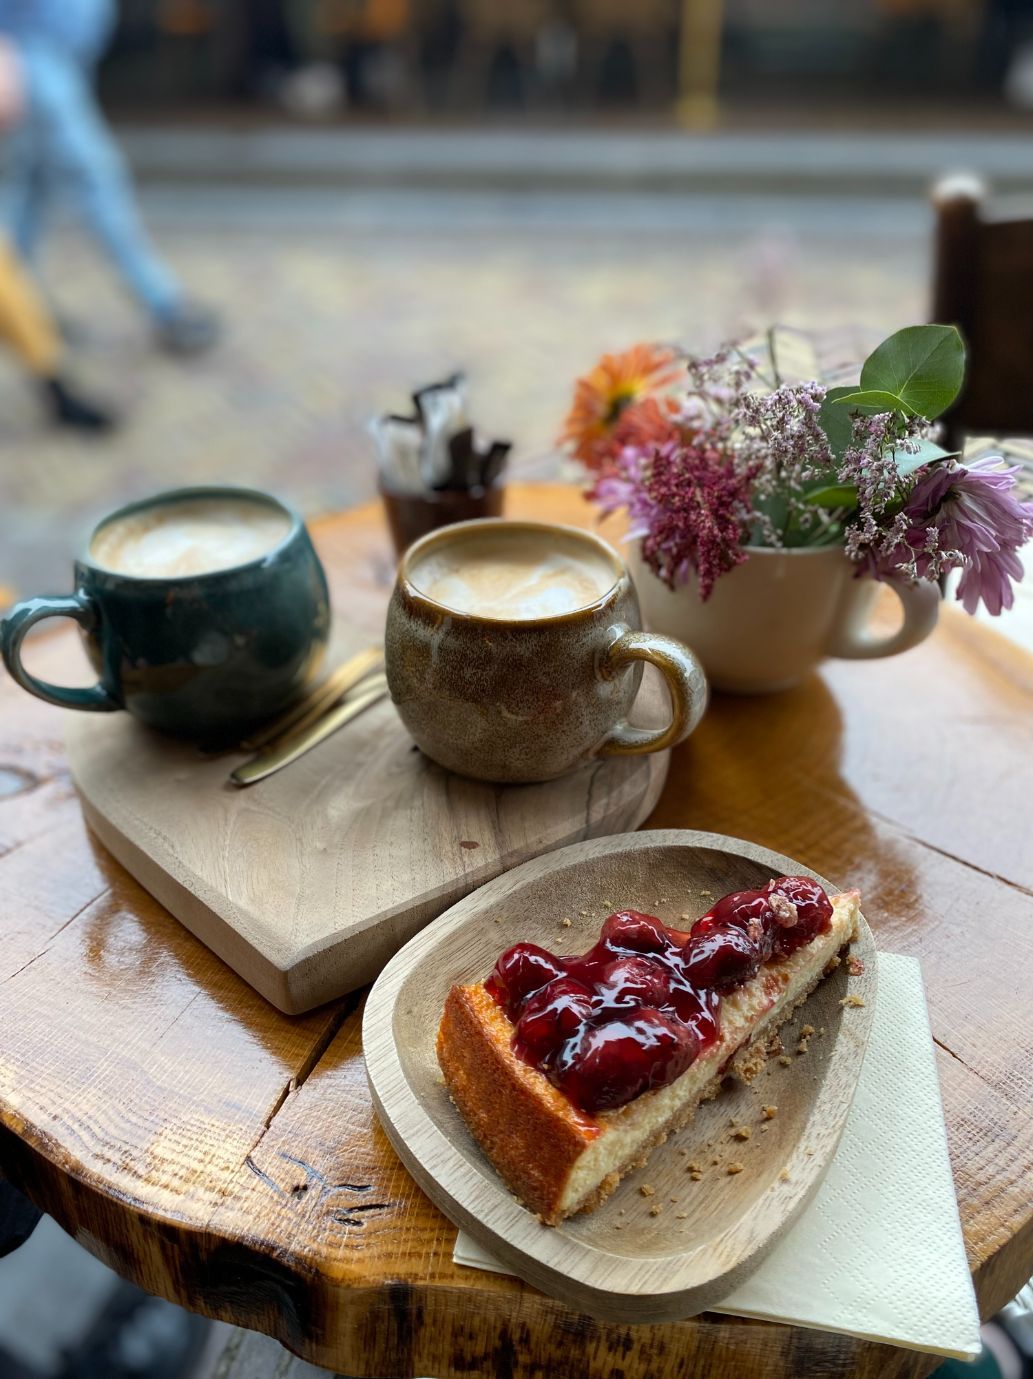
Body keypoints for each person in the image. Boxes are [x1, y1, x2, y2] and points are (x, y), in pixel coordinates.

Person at [0, 0, 219, 356]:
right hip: (33, 58)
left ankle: (22, 305)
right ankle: (165, 304)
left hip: (59, 58)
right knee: (95, 178)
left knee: (32, 189)